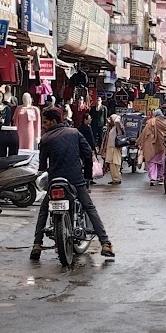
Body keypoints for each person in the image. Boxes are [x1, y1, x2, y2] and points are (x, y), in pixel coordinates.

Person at [32, 108, 114, 260]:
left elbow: (42, 165)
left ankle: (37, 245)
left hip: (55, 181)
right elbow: (88, 154)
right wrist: (88, 176)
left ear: (53, 122)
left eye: (45, 122)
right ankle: (105, 243)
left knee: (44, 210)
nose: (43, 125)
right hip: (75, 180)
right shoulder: (74, 133)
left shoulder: (45, 139)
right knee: (89, 208)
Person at [140, 109, 166, 186]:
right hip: (162, 145)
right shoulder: (165, 122)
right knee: (161, 162)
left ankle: (153, 178)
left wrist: (140, 141)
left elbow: (145, 133)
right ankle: (161, 178)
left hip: (152, 145)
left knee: (151, 162)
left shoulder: (150, 122)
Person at [101, 114, 125, 184]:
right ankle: (115, 178)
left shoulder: (117, 126)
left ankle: (117, 178)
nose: (110, 121)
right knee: (112, 164)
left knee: (116, 163)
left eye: (111, 119)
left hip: (115, 148)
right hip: (110, 148)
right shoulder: (111, 127)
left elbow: (117, 122)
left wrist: (116, 119)